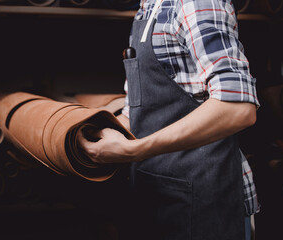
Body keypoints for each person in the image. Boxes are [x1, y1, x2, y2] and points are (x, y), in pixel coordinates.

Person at [77, 0, 260, 239]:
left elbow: (237, 108)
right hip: (156, 198)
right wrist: (82, 135)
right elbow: (138, 114)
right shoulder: (148, 7)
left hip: (205, 200)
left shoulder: (196, 3)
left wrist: (135, 150)